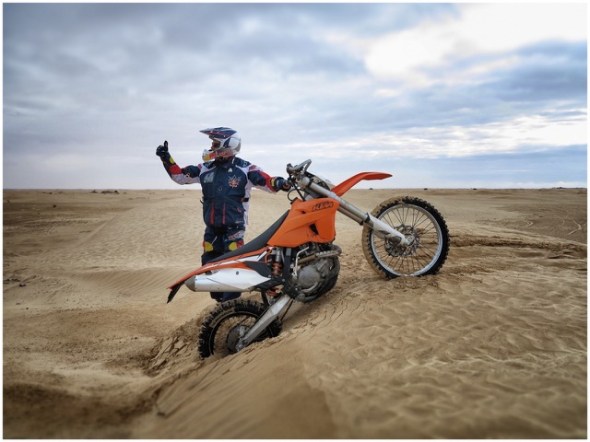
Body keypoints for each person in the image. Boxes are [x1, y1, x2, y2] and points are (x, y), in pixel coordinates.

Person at [156, 127, 291, 302]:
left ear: (227, 145)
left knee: (233, 270)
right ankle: (221, 305)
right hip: (212, 230)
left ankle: (232, 304)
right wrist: (166, 158)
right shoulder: (205, 168)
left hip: (234, 230)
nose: (211, 147)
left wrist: (280, 182)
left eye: (215, 143)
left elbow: (268, 182)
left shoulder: (246, 169)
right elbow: (179, 176)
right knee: (209, 269)